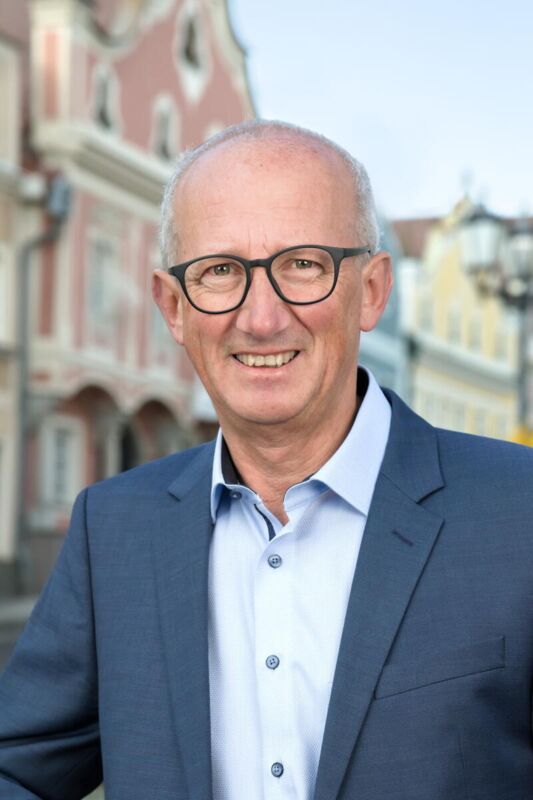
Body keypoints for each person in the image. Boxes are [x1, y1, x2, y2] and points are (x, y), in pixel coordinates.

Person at [1, 120, 532, 800]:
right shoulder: (114, 529)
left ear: (372, 291)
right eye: (220, 271)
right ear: (173, 307)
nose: (260, 318)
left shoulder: (517, 513)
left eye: (302, 264)